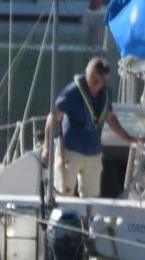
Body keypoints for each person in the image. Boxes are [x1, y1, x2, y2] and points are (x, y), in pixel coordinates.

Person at [44, 56, 111, 198]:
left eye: (98, 82)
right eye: (91, 80)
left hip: (93, 152)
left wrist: (128, 137)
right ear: (86, 75)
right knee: (63, 194)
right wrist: (47, 148)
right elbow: (53, 117)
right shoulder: (72, 92)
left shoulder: (105, 95)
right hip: (70, 150)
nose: (94, 85)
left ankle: (88, 214)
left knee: (91, 197)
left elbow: (110, 117)